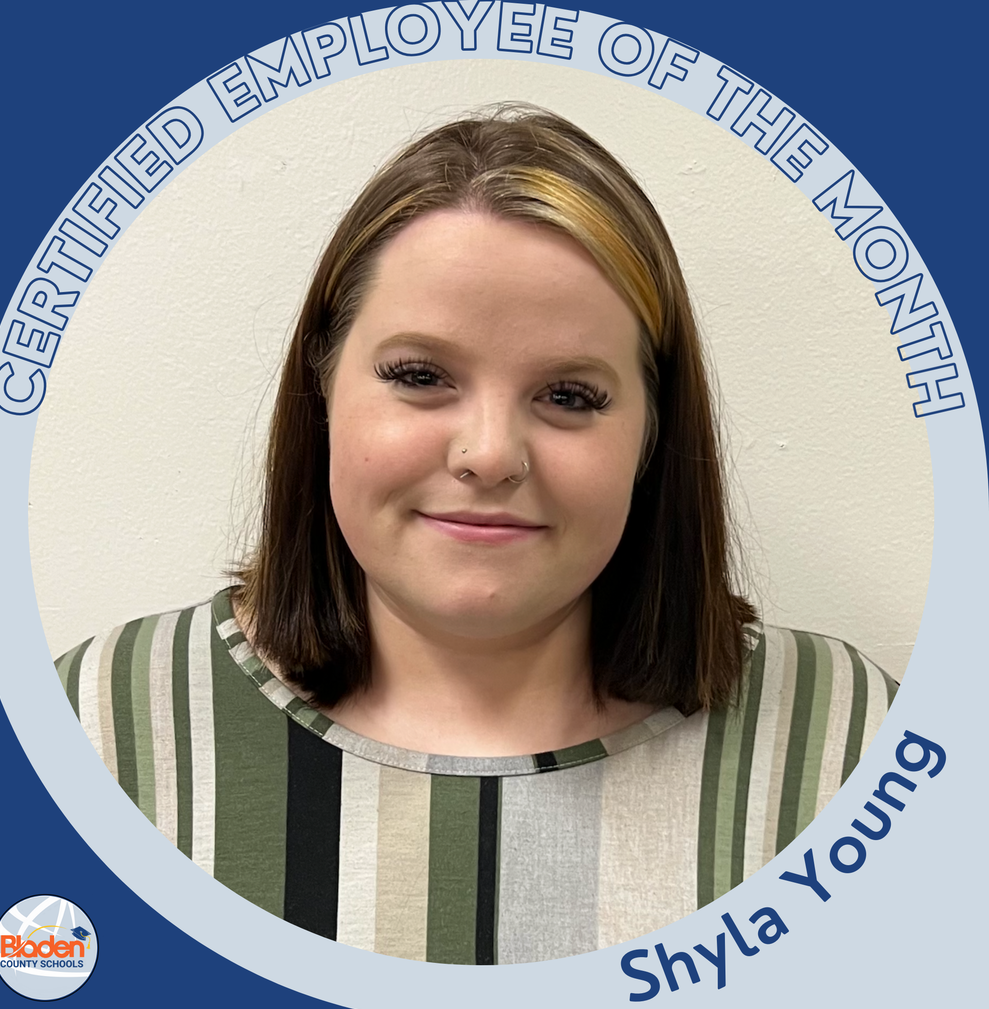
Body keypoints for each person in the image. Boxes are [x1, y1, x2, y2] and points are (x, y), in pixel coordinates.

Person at [55, 105, 895, 965]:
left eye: (571, 395)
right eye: (420, 376)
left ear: (653, 435)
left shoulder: (847, 747)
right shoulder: (94, 731)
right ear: (322, 392)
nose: (490, 455)